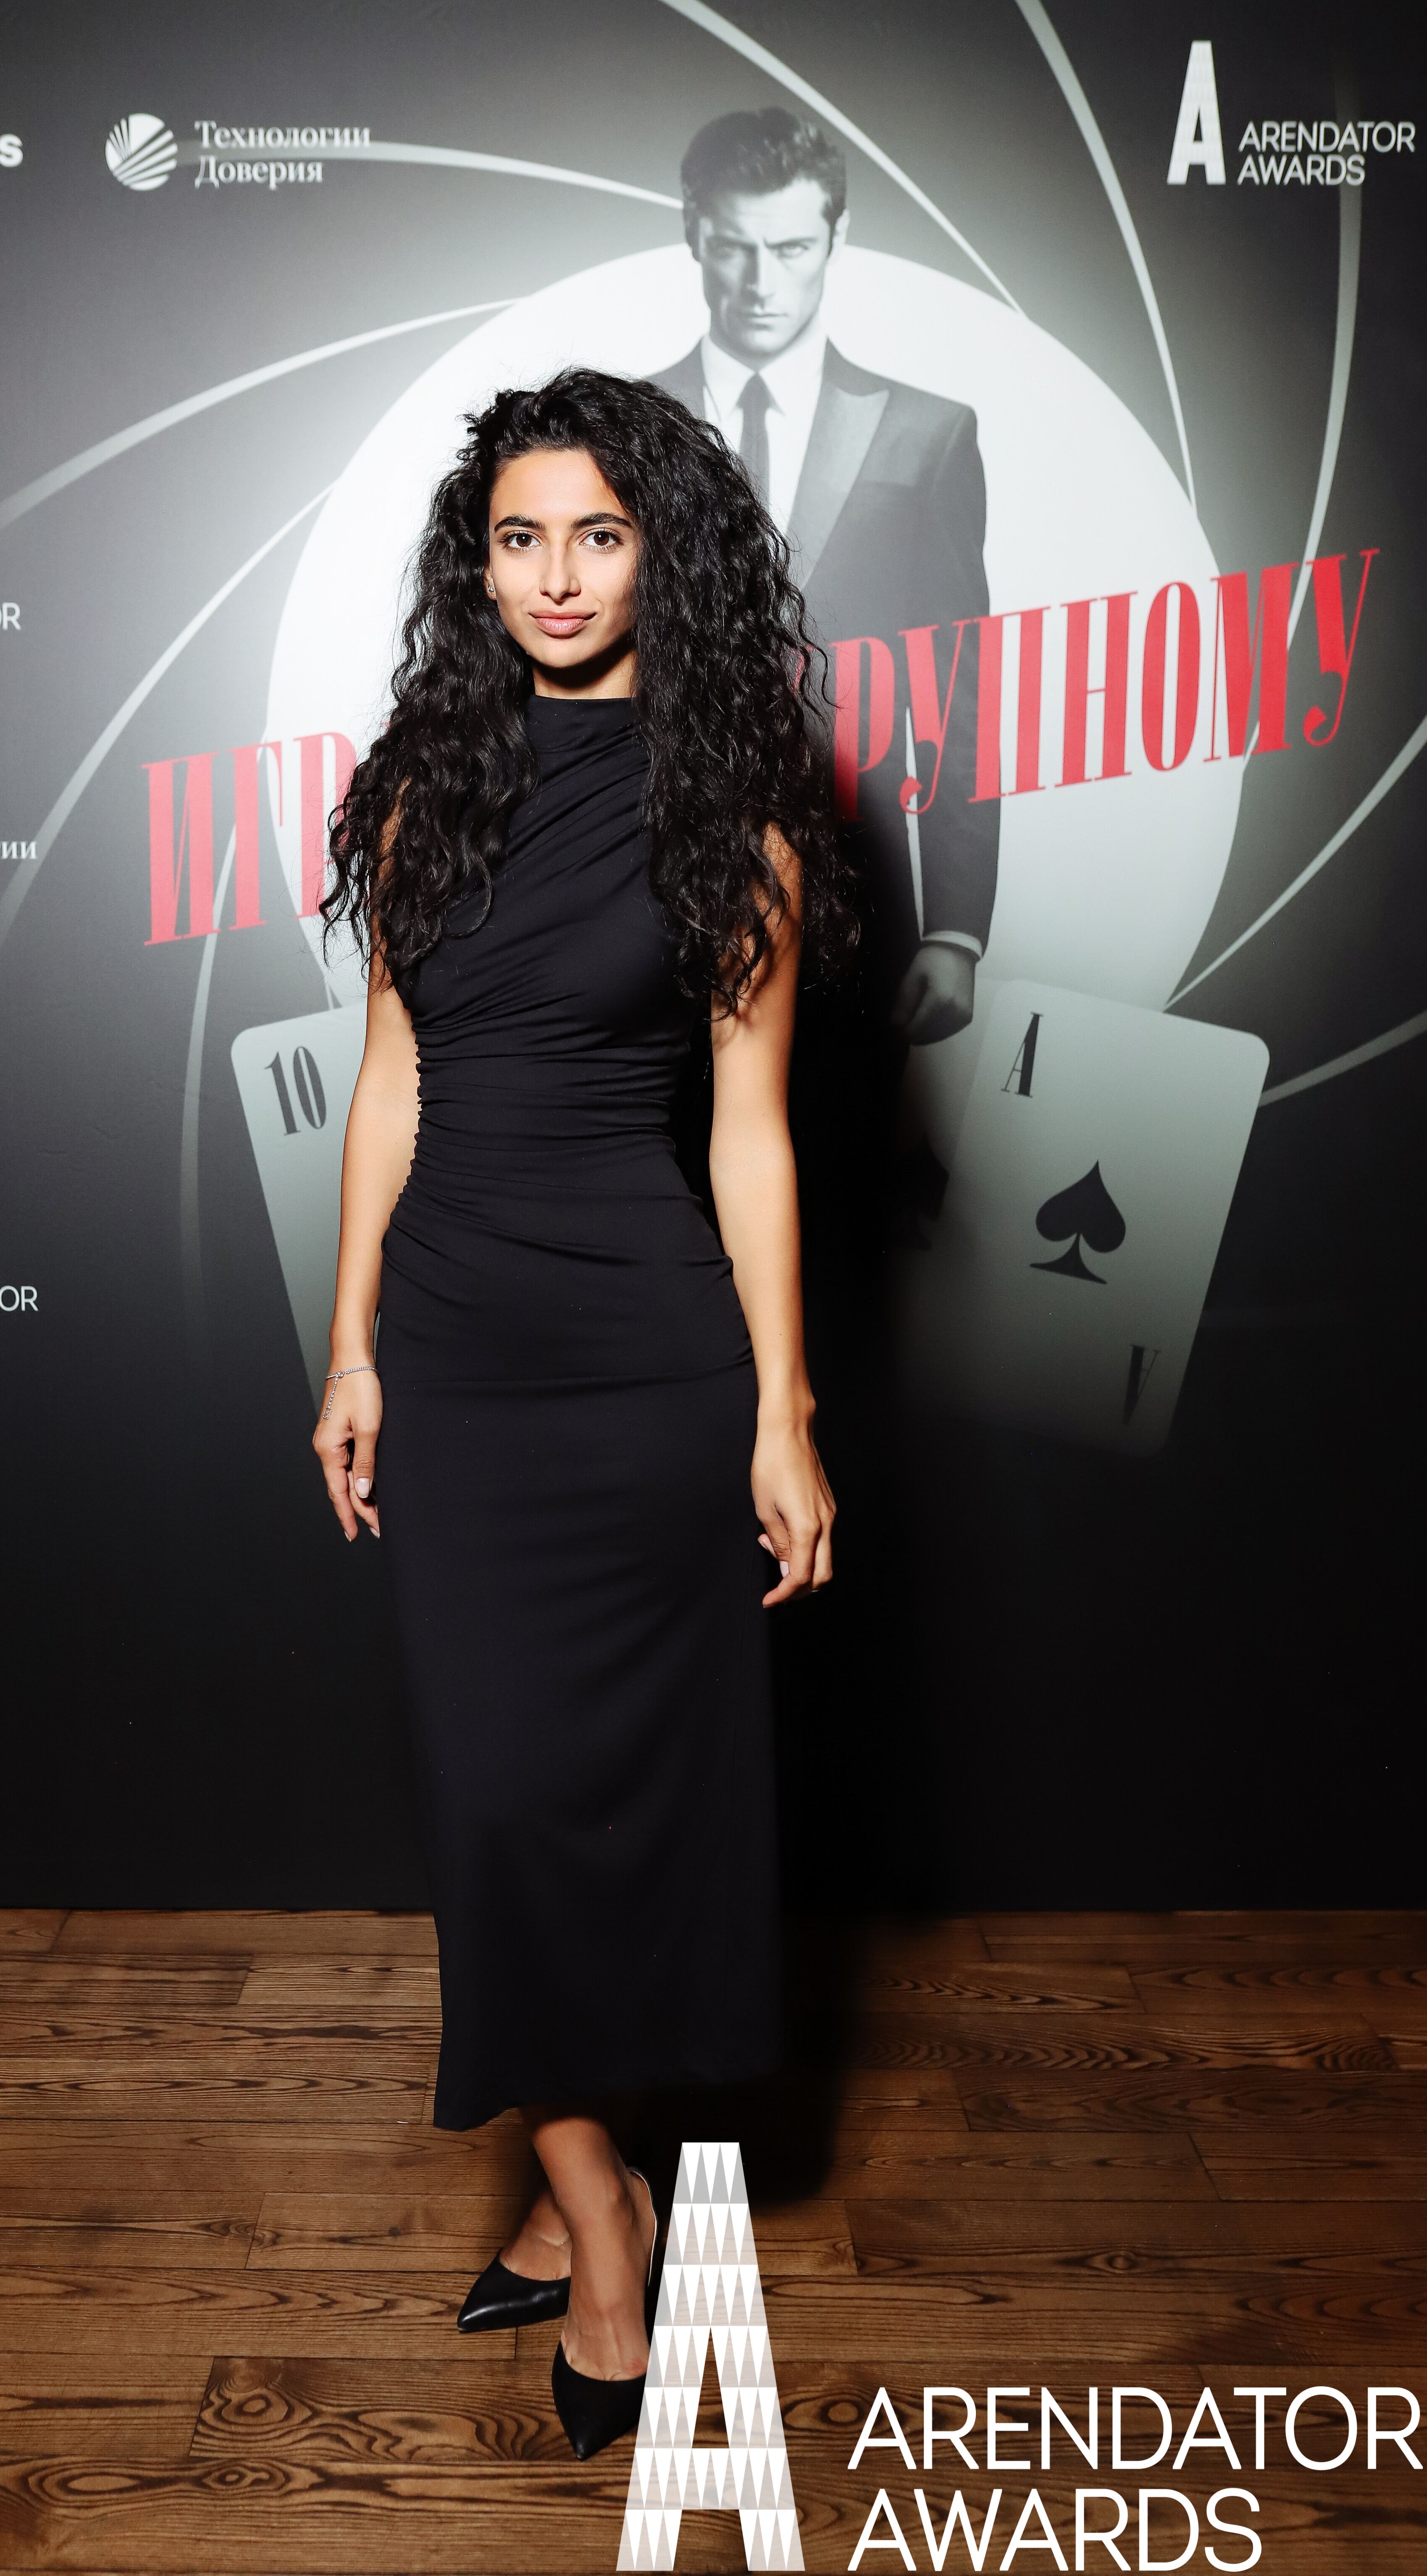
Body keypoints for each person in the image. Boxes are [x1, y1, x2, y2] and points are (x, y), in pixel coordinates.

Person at [312, 369, 844, 2459]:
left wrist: (782, 1412)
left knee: (625, 1811)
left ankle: (578, 2205)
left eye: (598, 537)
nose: (555, 577)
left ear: (659, 558)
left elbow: (751, 1137)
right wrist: (350, 1347)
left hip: (646, 1368)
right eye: (520, 538)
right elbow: (391, 1084)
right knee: (500, 1810)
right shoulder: (419, 793)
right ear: (479, 563)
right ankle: (598, 2207)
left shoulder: (729, 819)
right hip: (456, 1361)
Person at [653, 106, 997, 1047]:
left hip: (859, 888)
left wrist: (957, 928)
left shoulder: (929, 435)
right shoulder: (622, 428)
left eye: (793, 249)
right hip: (649, 886)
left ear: (837, 240)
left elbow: (956, 686)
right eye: (736, 248)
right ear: (694, 233)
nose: (762, 283)